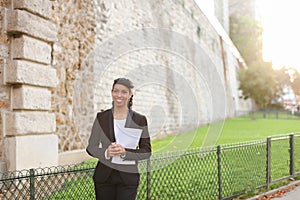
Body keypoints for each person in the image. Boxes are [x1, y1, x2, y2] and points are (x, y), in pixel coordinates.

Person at [86, 78, 151, 200]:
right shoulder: (102, 117)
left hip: (128, 178)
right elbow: (91, 147)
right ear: (112, 93)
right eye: (116, 91)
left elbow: (146, 151)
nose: (119, 95)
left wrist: (125, 153)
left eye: (124, 92)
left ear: (130, 95)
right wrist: (106, 152)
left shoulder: (139, 120)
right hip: (104, 177)